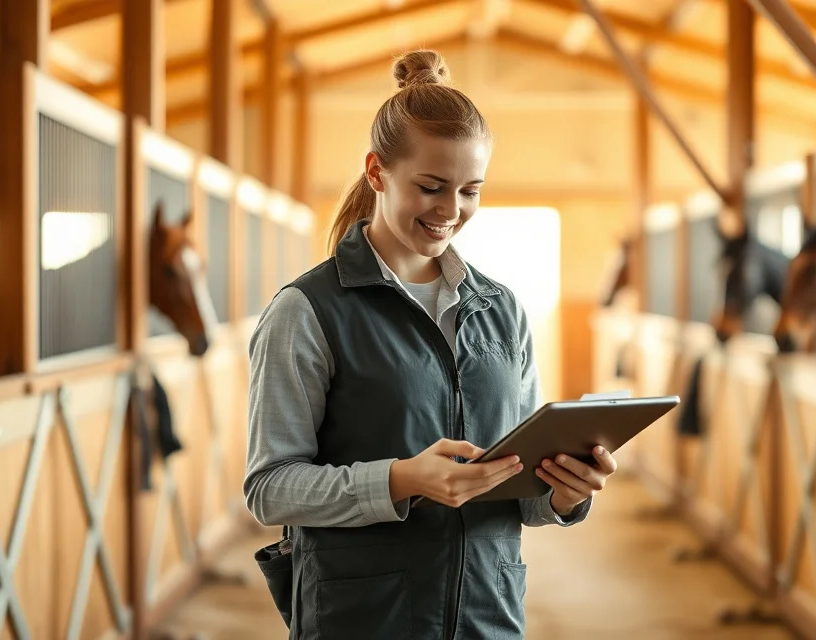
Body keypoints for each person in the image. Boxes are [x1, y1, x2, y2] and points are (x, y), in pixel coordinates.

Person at [244, 49, 619, 639]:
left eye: (471, 190)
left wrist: (565, 495)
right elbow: (269, 489)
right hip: (363, 621)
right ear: (376, 172)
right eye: (431, 187)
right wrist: (402, 479)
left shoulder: (502, 310)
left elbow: (522, 492)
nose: (452, 211)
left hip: (487, 617)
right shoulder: (307, 311)